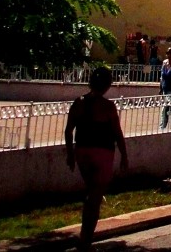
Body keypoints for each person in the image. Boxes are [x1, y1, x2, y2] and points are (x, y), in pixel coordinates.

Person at [65, 66, 128, 251]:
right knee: (94, 197)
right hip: (102, 153)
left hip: (82, 152)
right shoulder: (108, 107)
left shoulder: (78, 103)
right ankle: (85, 241)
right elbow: (117, 133)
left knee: (91, 193)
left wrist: (70, 154)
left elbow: (69, 131)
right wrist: (124, 155)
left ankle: (86, 239)